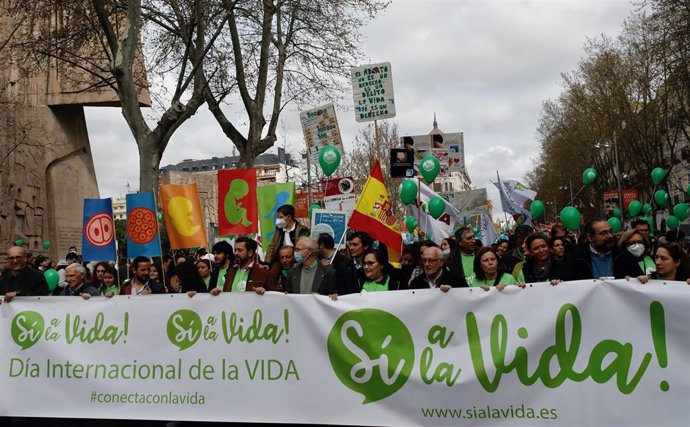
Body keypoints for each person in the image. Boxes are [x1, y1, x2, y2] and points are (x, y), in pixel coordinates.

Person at [563, 218, 643, 281]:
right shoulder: (577, 259)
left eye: (610, 232)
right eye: (603, 233)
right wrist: (558, 283)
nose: (610, 236)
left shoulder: (624, 256)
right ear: (590, 237)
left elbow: (638, 279)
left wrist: (639, 280)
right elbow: (567, 285)